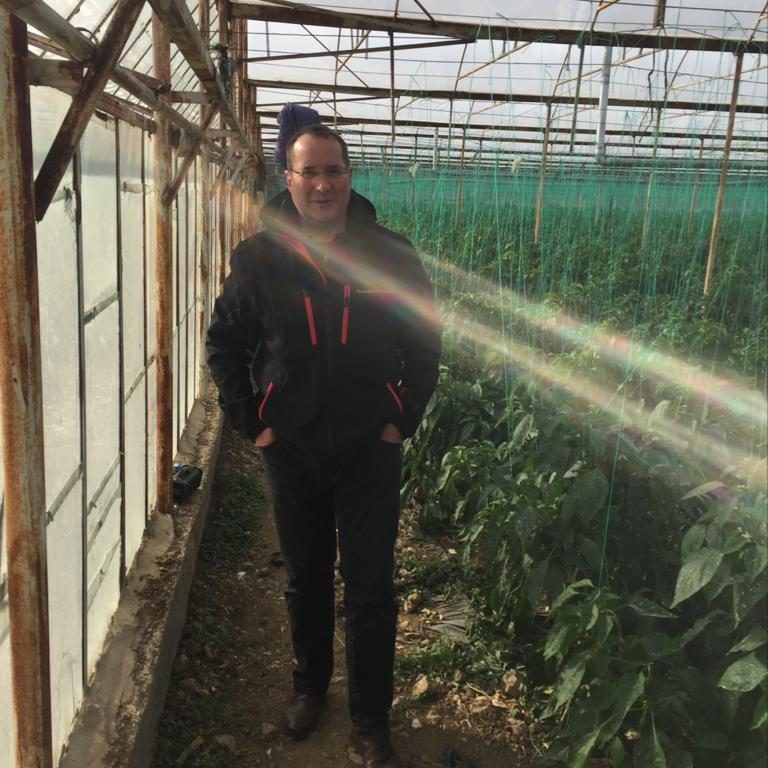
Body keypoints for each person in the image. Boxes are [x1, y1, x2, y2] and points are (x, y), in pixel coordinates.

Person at [206, 124, 441, 768]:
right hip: (293, 447)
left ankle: (370, 720)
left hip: (371, 447)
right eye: (308, 172)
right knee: (305, 576)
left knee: (370, 585)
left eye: (333, 170)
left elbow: (424, 341)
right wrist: (255, 423)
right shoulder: (260, 258)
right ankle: (310, 687)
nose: (322, 184)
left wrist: (402, 417)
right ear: (288, 179)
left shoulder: (390, 254)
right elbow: (224, 344)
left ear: (348, 176)